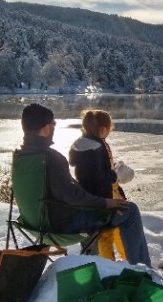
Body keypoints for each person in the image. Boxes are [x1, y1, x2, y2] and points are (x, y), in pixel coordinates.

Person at [17, 103, 151, 267]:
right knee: (130, 211)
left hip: (33, 222)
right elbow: (71, 195)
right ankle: (143, 270)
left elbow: (65, 191)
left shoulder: (21, 156)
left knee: (101, 207)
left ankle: (98, 261)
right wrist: (105, 202)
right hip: (60, 224)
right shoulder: (50, 158)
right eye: (53, 124)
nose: (54, 127)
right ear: (45, 128)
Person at [68, 109, 150, 266]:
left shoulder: (82, 145)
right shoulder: (96, 147)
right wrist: (116, 175)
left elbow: (90, 174)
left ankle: (109, 263)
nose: (109, 133)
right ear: (103, 129)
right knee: (125, 219)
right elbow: (98, 178)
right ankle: (135, 264)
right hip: (102, 203)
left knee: (105, 235)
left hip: (90, 202)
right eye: (109, 129)